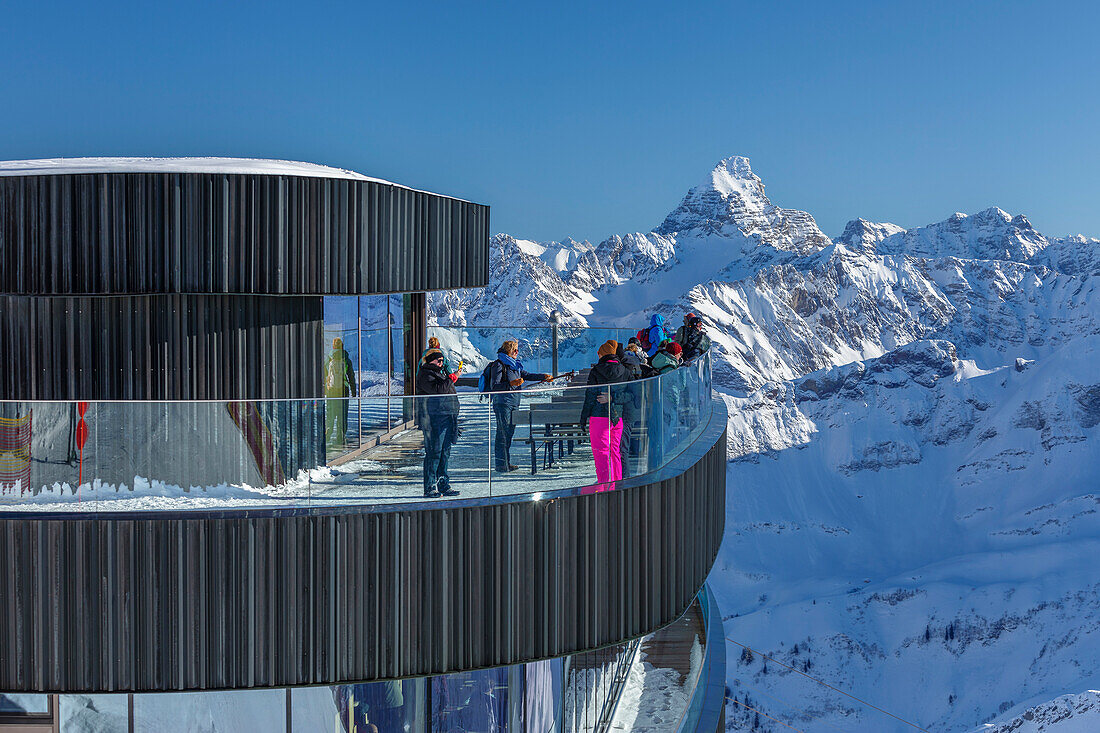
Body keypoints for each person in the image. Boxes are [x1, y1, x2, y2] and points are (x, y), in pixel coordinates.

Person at [484, 340, 551, 473]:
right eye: (515, 350)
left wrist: (543, 376)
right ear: (509, 350)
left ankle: (506, 463)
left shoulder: (515, 366)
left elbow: (527, 375)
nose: (517, 352)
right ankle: (501, 464)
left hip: (514, 403)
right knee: (502, 434)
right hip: (503, 404)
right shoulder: (499, 365)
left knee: (509, 433)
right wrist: (511, 384)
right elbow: (494, 386)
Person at [579, 340, 634, 484]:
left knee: (601, 452)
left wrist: (584, 416)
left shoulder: (597, 370)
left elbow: (590, 396)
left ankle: (604, 485)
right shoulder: (625, 371)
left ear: (602, 353)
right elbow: (633, 395)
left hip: (599, 417)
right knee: (614, 451)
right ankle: (616, 483)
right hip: (618, 417)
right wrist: (614, 397)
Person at [415, 349, 461, 497]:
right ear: (430, 361)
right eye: (438, 361)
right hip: (434, 419)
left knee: (445, 453)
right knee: (434, 453)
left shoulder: (440, 373)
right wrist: (452, 378)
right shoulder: (425, 374)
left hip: (447, 417)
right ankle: (429, 487)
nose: (442, 363)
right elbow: (438, 391)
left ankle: (443, 483)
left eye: (443, 361)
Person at [323, 337, 357, 447]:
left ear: (333, 346)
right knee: (342, 415)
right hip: (343, 390)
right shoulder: (346, 359)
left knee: (331, 415)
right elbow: (351, 375)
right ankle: (340, 438)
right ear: (342, 346)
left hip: (331, 391)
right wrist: (353, 390)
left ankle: (327, 437)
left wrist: (324, 389)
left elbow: (324, 376)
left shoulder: (328, 359)